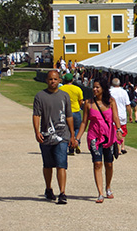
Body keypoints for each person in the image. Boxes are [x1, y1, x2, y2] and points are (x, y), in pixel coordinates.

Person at [32, 70, 77, 204]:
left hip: (62, 135)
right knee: (48, 165)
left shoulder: (64, 96)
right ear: (47, 80)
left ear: (59, 81)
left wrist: (72, 135)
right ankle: (48, 188)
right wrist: (36, 131)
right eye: (51, 79)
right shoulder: (40, 96)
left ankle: (62, 192)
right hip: (46, 135)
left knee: (61, 164)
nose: (53, 82)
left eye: (55, 79)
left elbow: (69, 116)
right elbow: (36, 115)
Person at [76, 78, 123, 203]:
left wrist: (119, 130)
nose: (95, 89)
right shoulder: (88, 103)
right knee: (97, 164)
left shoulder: (111, 102)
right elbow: (84, 122)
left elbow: (116, 117)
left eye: (98, 87)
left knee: (109, 164)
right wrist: (77, 138)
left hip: (109, 136)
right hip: (94, 137)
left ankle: (108, 187)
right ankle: (100, 193)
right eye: (94, 87)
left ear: (103, 88)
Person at [59, 73, 84, 155]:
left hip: (65, 112)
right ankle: (76, 142)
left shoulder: (61, 89)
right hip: (76, 111)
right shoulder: (77, 89)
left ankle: (70, 148)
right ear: (72, 80)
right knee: (77, 128)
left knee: (67, 129)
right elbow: (81, 101)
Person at [110, 78, 132, 154]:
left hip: (114, 114)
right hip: (123, 114)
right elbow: (128, 104)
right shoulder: (124, 92)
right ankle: (122, 146)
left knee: (115, 130)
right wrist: (130, 115)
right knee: (123, 131)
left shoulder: (110, 91)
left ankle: (118, 148)